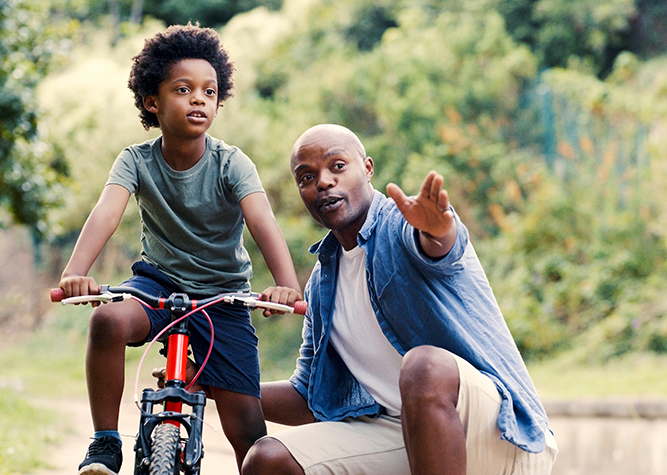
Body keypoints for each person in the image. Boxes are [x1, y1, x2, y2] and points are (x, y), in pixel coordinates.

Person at [241, 124, 557, 475]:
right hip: (408, 438)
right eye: (306, 177)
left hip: (497, 431)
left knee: (425, 367)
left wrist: (439, 230)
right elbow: (308, 396)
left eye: (338, 166)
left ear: (368, 168)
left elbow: (439, 247)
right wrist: (218, 383)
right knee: (268, 459)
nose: (324, 182)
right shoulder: (321, 285)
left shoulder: (401, 226)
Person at [57, 24, 302, 475]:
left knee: (250, 434)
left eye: (209, 91)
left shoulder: (232, 163)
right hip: (157, 284)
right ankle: (105, 443)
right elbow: (106, 213)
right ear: (153, 101)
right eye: (183, 89)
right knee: (108, 319)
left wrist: (286, 287)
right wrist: (76, 271)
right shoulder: (136, 160)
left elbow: (262, 223)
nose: (198, 99)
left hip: (223, 297)